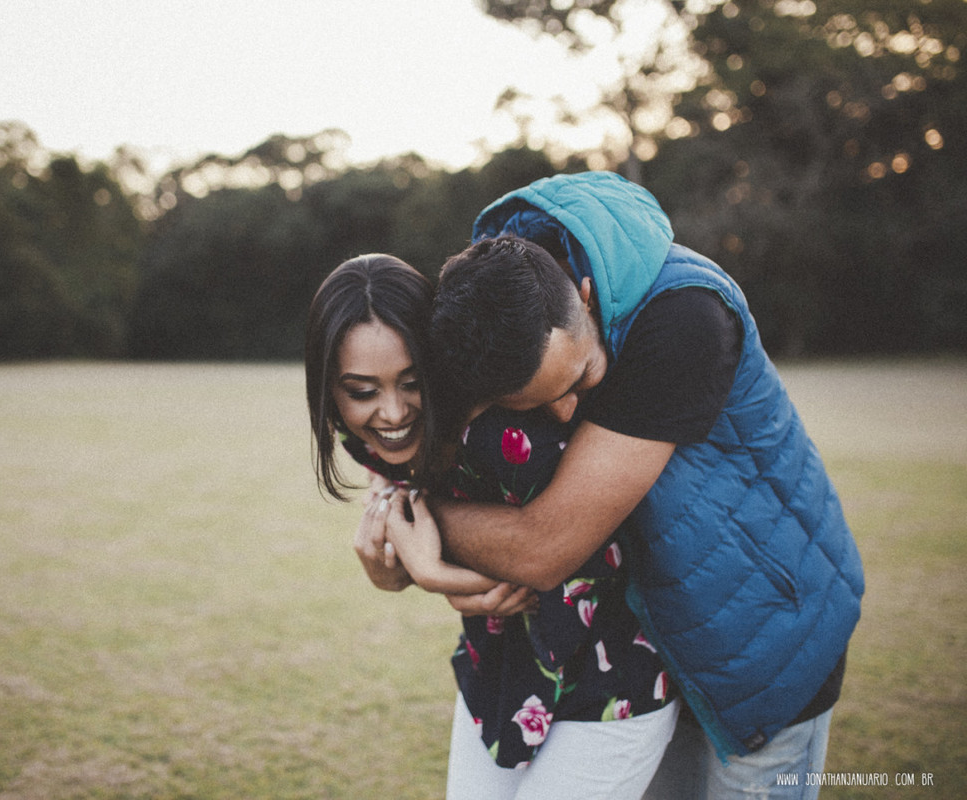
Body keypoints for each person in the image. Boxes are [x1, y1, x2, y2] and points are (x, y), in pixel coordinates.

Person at [415, 171, 864, 798]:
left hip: (764, 643)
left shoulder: (685, 315)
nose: (570, 415)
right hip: (658, 650)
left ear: (588, 295)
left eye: (583, 379)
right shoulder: (499, 315)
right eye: (542, 406)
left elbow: (543, 548)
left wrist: (419, 523)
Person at [304, 253, 678, 799]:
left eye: (412, 383)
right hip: (499, 679)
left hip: (608, 681)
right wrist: (390, 501)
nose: (390, 413)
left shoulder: (506, 439)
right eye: (362, 391)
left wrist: (431, 572)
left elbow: (564, 567)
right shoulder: (367, 439)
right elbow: (388, 472)